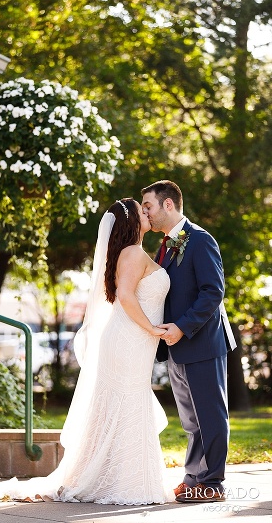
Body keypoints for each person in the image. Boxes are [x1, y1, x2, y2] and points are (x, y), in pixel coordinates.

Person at [0, 198, 171, 505]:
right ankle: (124, 482)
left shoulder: (134, 252)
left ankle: (120, 477)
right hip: (129, 339)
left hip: (132, 341)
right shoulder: (132, 253)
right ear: (131, 222)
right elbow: (127, 296)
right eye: (142, 211)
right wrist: (153, 329)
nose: (148, 213)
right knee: (126, 403)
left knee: (125, 404)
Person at [142, 180, 236, 503]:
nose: (146, 213)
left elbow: (213, 292)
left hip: (203, 342)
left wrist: (182, 327)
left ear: (169, 205)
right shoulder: (166, 245)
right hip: (177, 346)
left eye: (148, 206)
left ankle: (212, 483)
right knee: (191, 420)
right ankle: (194, 476)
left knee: (210, 414)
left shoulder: (200, 240)